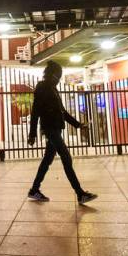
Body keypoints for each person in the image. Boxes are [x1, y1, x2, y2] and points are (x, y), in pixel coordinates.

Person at [27, 60, 98, 204]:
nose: (59, 79)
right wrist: (32, 134)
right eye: (58, 75)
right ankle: (80, 193)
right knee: (66, 158)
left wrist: (78, 125)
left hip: (56, 129)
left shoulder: (53, 88)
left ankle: (34, 190)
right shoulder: (42, 87)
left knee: (47, 160)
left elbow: (62, 112)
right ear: (52, 74)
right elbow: (35, 112)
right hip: (50, 129)